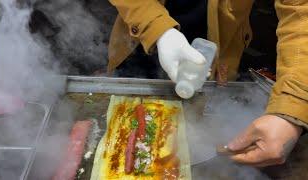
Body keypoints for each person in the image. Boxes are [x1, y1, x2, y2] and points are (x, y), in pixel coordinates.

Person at [107, 0, 308, 167]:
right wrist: (157, 29)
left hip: (216, 58)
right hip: (138, 39)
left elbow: (301, 11)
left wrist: (292, 105)